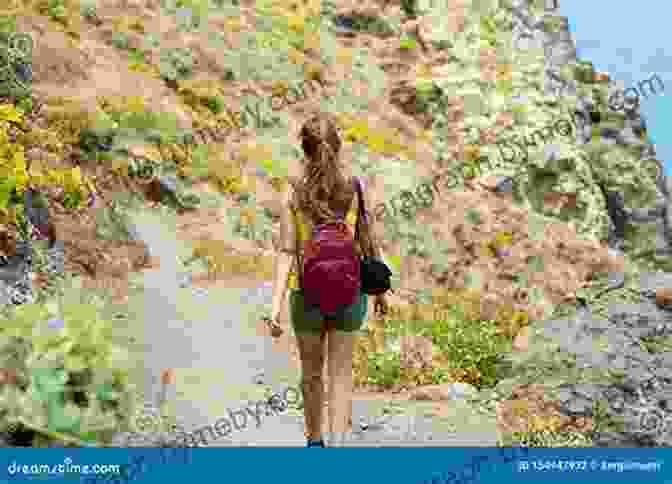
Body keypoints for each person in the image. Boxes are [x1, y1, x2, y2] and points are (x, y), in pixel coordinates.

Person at [264, 113, 389, 447]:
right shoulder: (354, 187)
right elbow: (367, 241)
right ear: (338, 146)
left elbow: (286, 251)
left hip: (306, 295)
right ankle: (337, 449)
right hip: (350, 294)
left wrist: (274, 308)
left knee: (312, 373)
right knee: (341, 374)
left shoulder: (293, 190)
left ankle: (315, 444)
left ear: (303, 150)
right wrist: (380, 294)